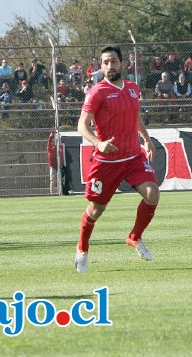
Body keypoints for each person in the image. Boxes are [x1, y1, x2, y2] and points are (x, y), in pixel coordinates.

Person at [75, 45, 159, 273]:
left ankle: (135, 237)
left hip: (133, 156)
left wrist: (147, 139)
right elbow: (82, 125)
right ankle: (82, 249)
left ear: (122, 63)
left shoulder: (132, 88)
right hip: (107, 161)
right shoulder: (97, 92)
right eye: (105, 63)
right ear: (100, 67)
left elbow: (134, 115)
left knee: (152, 193)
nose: (110, 66)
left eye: (113, 61)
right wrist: (99, 143)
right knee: (96, 210)